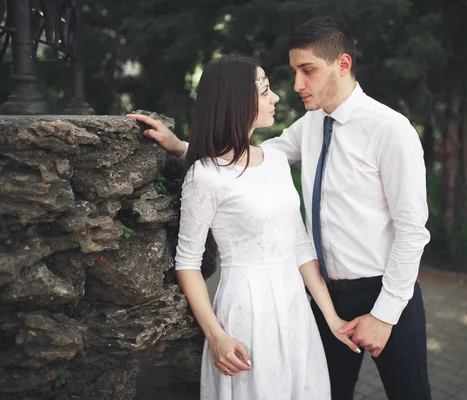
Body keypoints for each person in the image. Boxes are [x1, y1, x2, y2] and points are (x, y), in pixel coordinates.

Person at [129, 17, 432, 400]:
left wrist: (385, 313)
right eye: (293, 72)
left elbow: (412, 231)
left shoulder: (390, 129)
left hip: (388, 293)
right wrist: (183, 148)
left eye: (308, 71)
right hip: (324, 298)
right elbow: (245, 164)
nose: (296, 85)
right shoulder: (309, 126)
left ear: (342, 64)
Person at [131, 55, 359, 400]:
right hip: (247, 311)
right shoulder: (205, 176)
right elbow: (188, 262)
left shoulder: (277, 161)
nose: (276, 98)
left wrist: (330, 317)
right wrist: (216, 336)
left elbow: (299, 245)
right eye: (265, 90)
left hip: (296, 306)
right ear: (236, 99)